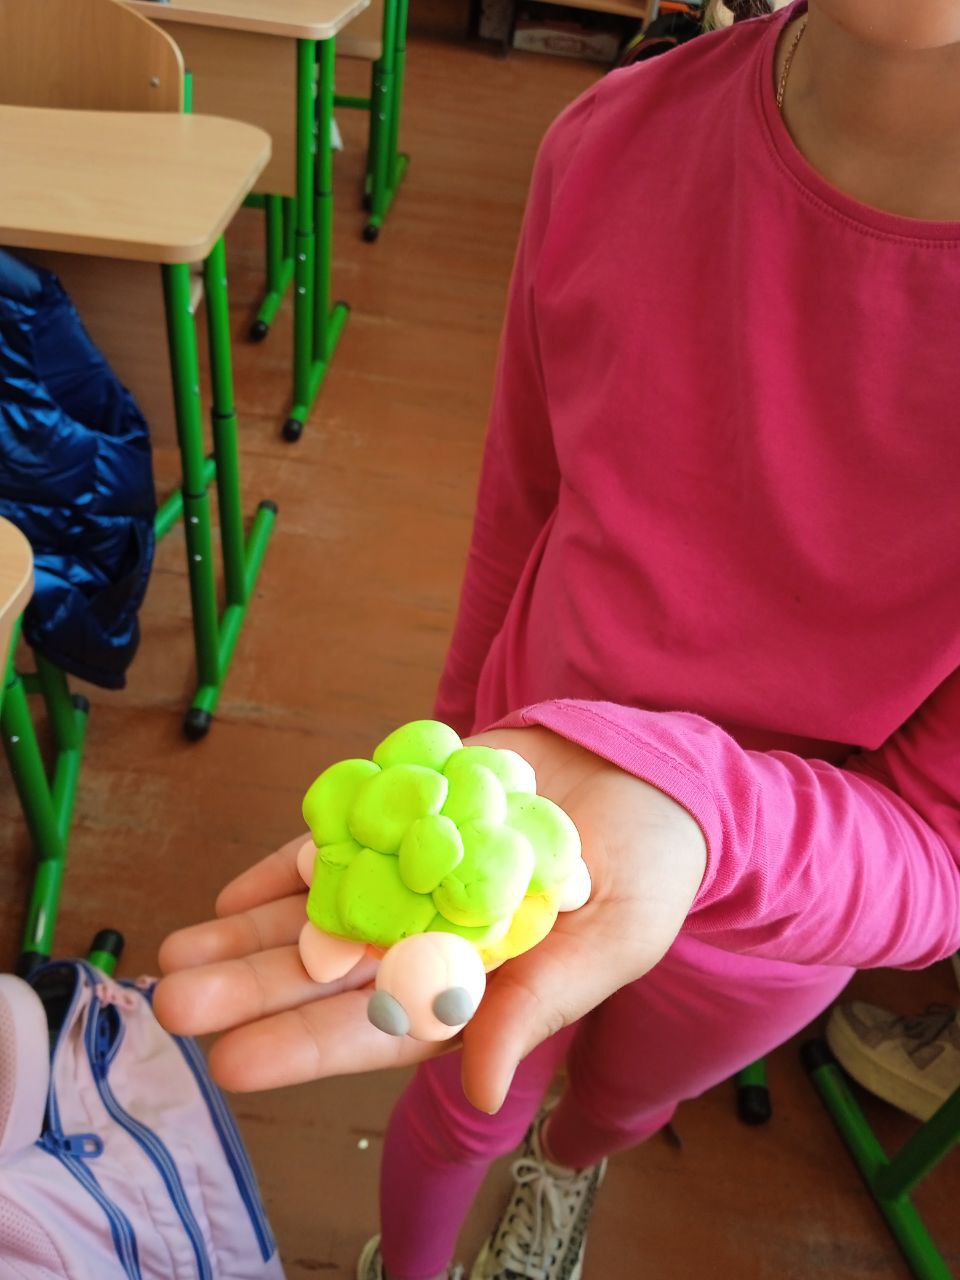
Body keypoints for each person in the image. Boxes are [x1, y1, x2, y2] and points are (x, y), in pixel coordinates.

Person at [153, 2, 960, 1277]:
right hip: (517, 797)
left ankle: (567, 1171)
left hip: (783, 915)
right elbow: (518, 512)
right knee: (462, 1094)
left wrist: (700, 812)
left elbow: (941, 850)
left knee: (617, 1105)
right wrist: (452, 750)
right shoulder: (611, 140)